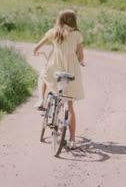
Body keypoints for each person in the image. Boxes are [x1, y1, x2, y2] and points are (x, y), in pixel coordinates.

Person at [33, 9, 85, 150]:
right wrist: (77, 59)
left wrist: (37, 52)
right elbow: (81, 56)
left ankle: (41, 99)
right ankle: (72, 140)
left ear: (59, 20)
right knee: (70, 106)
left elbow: (36, 48)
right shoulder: (77, 35)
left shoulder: (53, 32)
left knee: (43, 75)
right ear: (74, 21)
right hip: (71, 72)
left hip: (54, 68)